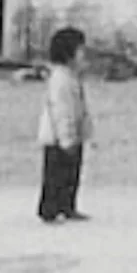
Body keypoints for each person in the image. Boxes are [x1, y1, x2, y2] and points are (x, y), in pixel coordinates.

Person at [36, 25, 94, 223]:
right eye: (80, 51)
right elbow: (61, 111)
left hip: (72, 134)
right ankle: (50, 209)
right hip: (57, 137)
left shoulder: (72, 77)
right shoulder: (61, 79)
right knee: (55, 175)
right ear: (68, 54)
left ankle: (67, 206)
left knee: (71, 173)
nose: (84, 56)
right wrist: (66, 137)